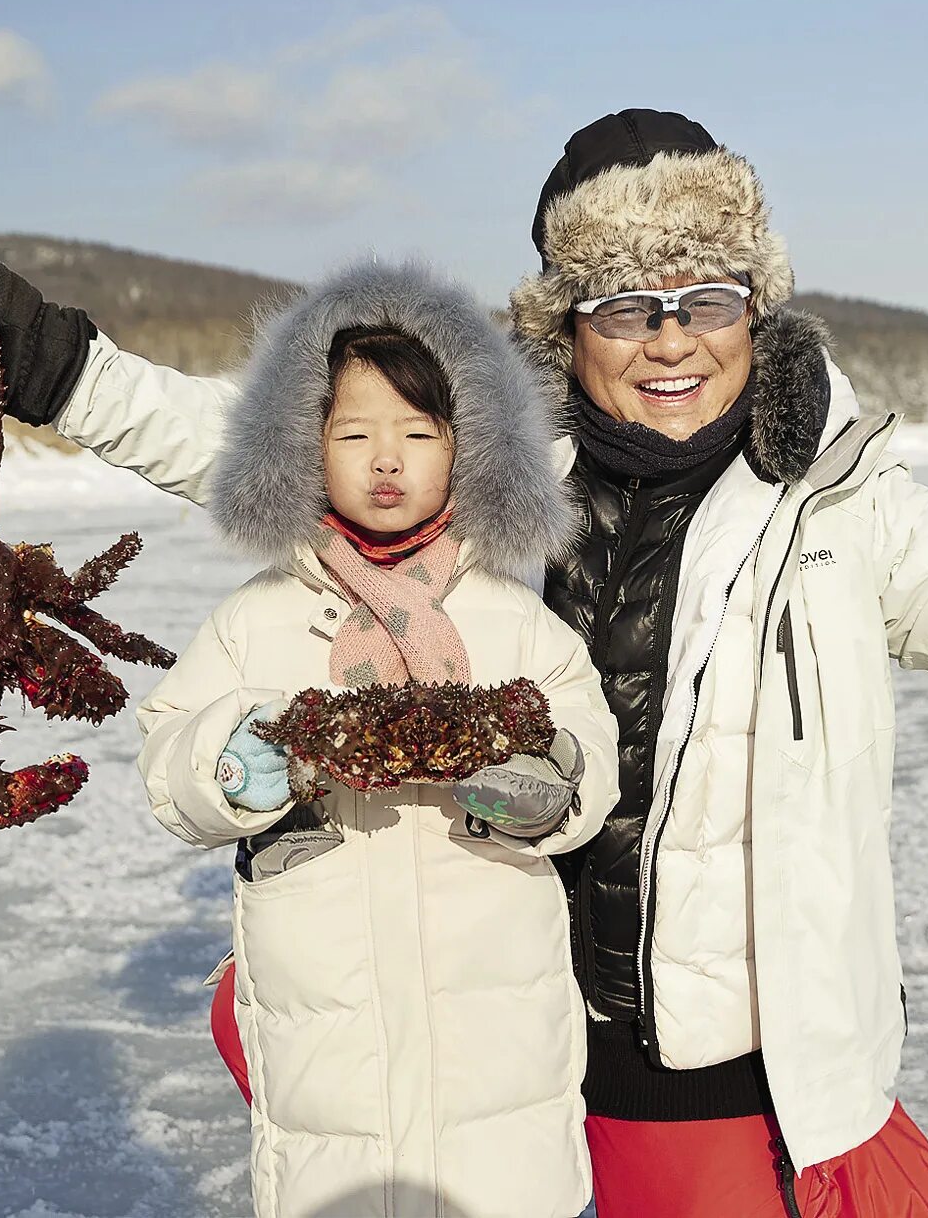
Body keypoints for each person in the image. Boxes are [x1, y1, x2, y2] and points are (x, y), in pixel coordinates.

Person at [0, 110, 928, 1218]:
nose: (666, 341)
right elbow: (287, 441)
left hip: (706, 1070)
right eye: (619, 306)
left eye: (702, 298)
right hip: (478, 1019)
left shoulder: (843, 500)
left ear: (753, 309)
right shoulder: (494, 472)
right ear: (563, 325)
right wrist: (63, 370)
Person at [132, 261, 619, 1218]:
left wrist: (553, 786)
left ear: (468, 449)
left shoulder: (515, 619)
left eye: (416, 433)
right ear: (301, 447)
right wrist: (228, 766)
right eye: (353, 434)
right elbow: (167, 753)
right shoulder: (257, 617)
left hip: (496, 1019)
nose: (384, 460)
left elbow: (586, 742)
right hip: (327, 1018)